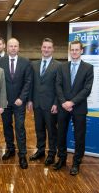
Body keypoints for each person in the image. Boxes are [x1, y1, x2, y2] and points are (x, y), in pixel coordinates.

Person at [54, 40, 94, 176]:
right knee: (60, 134)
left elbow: (87, 89)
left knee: (79, 136)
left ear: (81, 51)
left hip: (79, 108)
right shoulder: (62, 67)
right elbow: (58, 86)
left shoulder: (88, 68)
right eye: (72, 50)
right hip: (63, 106)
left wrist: (72, 102)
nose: (74, 52)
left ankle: (76, 163)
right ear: (69, 51)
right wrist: (64, 102)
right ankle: (62, 159)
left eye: (77, 49)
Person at [0, 38, 32, 169]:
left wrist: (22, 98)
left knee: (20, 127)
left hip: (19, 102)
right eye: (11, 46)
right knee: (6, 126)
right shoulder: (0, 62)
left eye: (15, 46)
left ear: (18, 47)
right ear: (7, 48)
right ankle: (10, 149)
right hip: (5, 102)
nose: (13, 48)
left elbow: (28, 81)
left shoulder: (25, 62)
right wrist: (2, 98)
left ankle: (22, 155)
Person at [27, 38, 61, 166]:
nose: (46, 49)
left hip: (50, 105)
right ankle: (40, 150)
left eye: (49, 47)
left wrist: (56, 103)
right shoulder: (34, 64)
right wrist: (29, 100)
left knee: (52, 130)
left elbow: (59, 87)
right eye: (44, 47)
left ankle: (52, 153)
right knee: (39, 129)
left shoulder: (58, 66)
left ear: (53, 49)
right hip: (37, 103)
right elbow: (31, 84)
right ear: (41, 48)